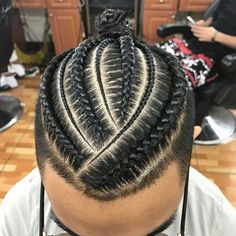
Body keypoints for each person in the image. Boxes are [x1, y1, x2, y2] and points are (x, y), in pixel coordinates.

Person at [0, 9, 236, 236]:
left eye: (156, 234)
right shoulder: (17, 216)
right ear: (39, 161)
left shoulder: (218, 223)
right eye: (69, 233)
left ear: (189, 146)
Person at [158, 0, 236, 88]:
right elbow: (215, 17)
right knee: (150, 57)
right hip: (196, 44)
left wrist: (215, 36)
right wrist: (204, 23)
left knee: (167, 85)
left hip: (216, 58)